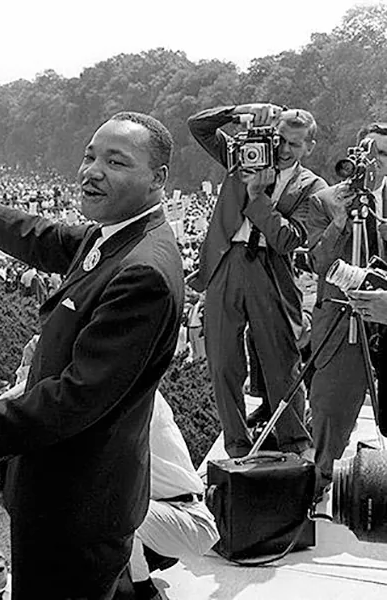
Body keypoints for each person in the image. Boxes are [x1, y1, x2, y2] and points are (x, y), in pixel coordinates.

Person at [0, 110, 183, 600]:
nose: (93, 170)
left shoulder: (142, 271)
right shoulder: (116, 235)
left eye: (116, 161)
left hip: (77, 505)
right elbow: (36, 235)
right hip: (68, 493)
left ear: (157, 179)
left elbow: (78, 397)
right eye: (89, 156)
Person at [187, 103, 326, 459]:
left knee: (281, 358)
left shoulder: (312, 187)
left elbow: (288, 240)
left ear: (309, 147)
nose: (283, 149)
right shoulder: (243, 155)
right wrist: (240, 111)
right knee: (222, 360)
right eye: (280, 139)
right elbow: (199, 126)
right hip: (225, 263)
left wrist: (257, 197)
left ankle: (294, 440)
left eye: (294, 145)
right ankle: (236, 441)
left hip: (270, 269)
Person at [306, 122, 387, 498]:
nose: (377, 163)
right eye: (372, 153)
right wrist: (341, 220)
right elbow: (319, 262)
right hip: (342, 320)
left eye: (385, 155)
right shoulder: (325, 200)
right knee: (331, 409)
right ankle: (321, 484)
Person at [129, 391, 219, 600]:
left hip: (189, 518)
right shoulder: (135, 389)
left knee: (118, 510)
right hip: (166, 511)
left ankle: (145, 592)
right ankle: (150, 559)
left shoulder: (140, 402)